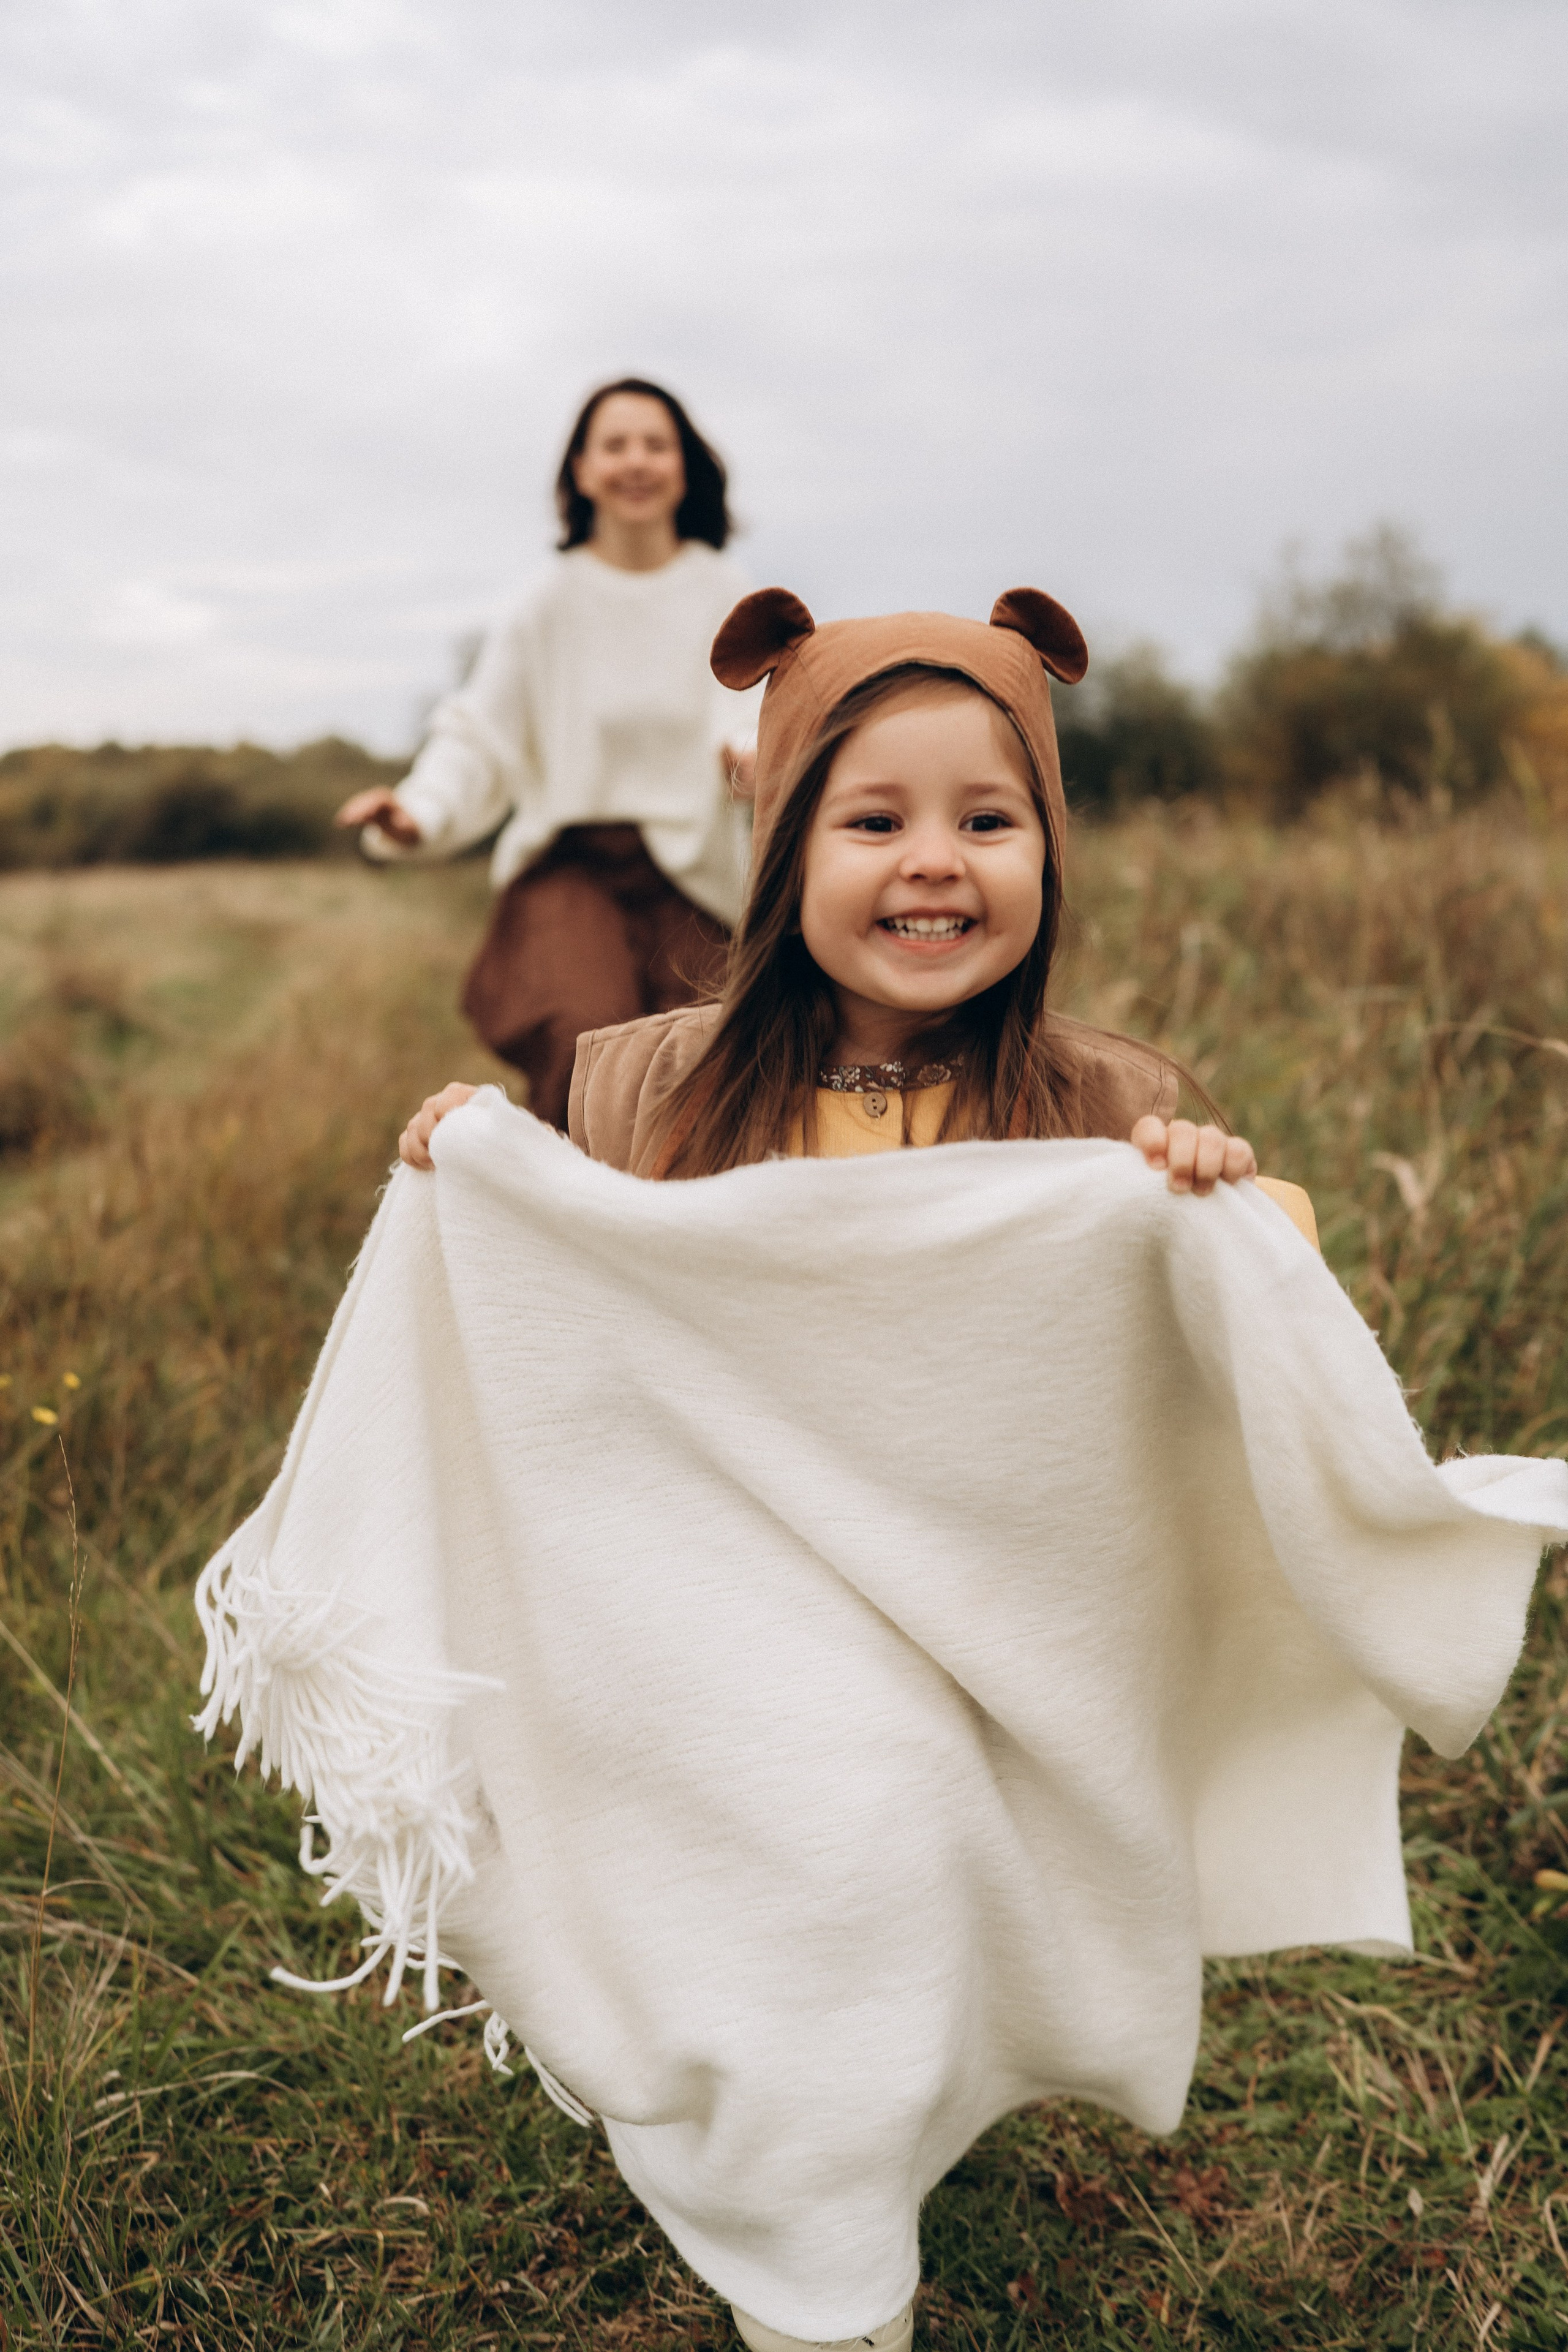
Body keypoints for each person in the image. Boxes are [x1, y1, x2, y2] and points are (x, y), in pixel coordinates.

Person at [392, 587, 1321, 2352]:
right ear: (780, 844)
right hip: (719, 1612)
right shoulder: (645, 1084)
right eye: (873, 818)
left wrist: (1219, 1196)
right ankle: (825, 2262)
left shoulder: (1098, 1102)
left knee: (888, 1845)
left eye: (990, 820)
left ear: (1049, 853)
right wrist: (479, 1171)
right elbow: (572, 1314)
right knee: (818, 1863)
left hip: (980, 1620)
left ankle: (855, 2146)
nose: (935, 863)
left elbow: (1254, 1311)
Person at [337, 378, 761, 1130]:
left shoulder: (724, 592)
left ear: (685, 467)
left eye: (655, 445)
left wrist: (757, 763)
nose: (636, 461)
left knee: (708, 1072)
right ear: (581, 471)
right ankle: (556, 1232)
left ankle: (679, 1244)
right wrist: (417, 813)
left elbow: (749, 719)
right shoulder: (549, 602)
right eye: (614, 445)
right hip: (571, 870)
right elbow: (478, 736)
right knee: (587, 1042)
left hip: (694, 883)